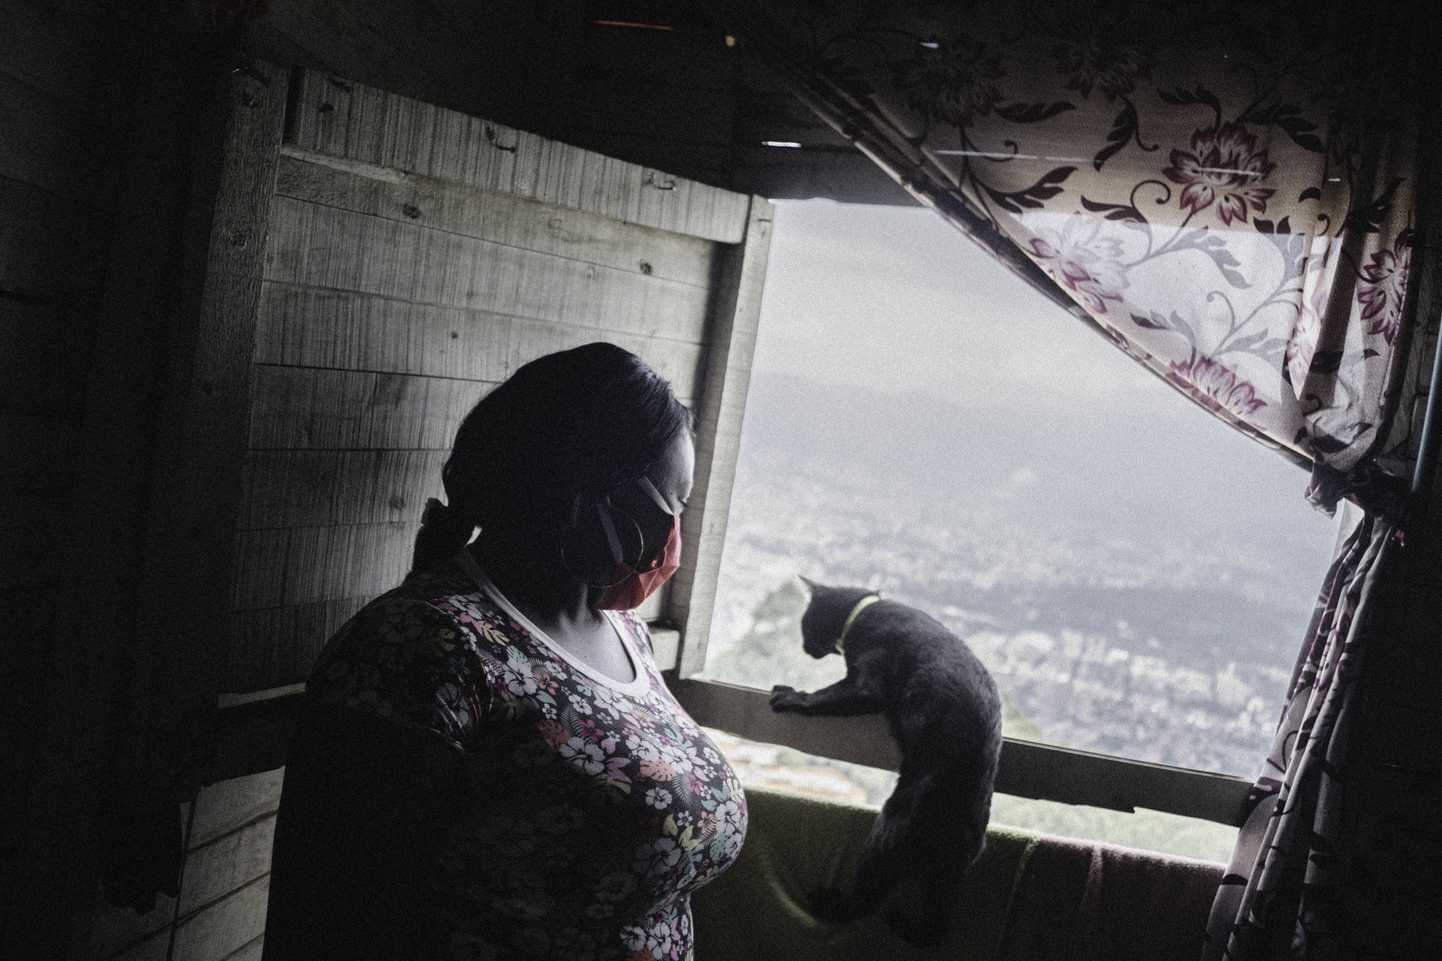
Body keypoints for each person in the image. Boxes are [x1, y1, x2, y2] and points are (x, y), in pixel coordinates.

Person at [263, 344, 747, 961]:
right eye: (673, 502)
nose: (676, 530)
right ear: (588, 491)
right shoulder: (422, 650)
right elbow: (332, 918)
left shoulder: (627, 636)